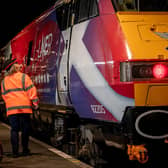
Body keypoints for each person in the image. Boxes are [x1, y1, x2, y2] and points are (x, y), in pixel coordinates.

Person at [1, 58, 39, 158]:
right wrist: (35, 102)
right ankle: (25, 150)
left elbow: (4, 95)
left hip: (12, 109)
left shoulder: (4, 81)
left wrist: (10, 103)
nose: (19, 65)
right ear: (14, 67)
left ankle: (15, 152)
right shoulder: (23, 77)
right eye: (17, 64)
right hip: (24, 108)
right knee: (25, 129)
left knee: (14, 130)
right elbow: (31, 90)